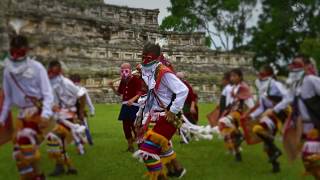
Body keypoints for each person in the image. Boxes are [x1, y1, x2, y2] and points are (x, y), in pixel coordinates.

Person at [0, 35, 54, 180]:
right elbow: (7, 99)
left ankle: (36, 176)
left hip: (36, 112)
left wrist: (46, 114)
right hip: (22, 115)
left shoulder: (37, 68)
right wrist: (1, 120)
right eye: (14, 51)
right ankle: (34, 177)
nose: (17, 55)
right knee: (18, 154)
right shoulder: (7, 71)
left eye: (20, 51)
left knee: (27, 145)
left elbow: (47, 93)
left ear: (26, 51)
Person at [133, 42, 188, 179]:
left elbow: (183, 90)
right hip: (153, 116)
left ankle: (160, 177)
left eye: (148, 58)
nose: (145, 61)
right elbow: (148, 89)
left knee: (147, 152)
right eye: (143, 57)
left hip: (165, 117)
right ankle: (177, 169)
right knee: (161, 148)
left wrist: (173, 111)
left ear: (157, 58)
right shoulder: (149, 70)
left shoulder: (164, 72)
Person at [46, 60, 87, 176]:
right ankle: (69, 167)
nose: (51, 74)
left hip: (69, 118)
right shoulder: (53, 84)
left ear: (59, 71)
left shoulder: (66, 83)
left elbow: (82, 94)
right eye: (50, 71)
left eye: (54, 71)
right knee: (60, 143)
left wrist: (80, 112)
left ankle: (60, 167)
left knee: (52, 137)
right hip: (61, 117)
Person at [248, 65, 291, 173]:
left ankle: (276, 150)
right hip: (270, 114)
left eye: (262, 73)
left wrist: (274, 109)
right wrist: (252, 116)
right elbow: (262, 107)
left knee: (257, 129)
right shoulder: (263, 89)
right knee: (266, 144)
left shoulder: (276, 84)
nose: (259, 75)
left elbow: (288, 98)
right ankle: (275, 166)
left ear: (269, 74)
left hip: (280, 113)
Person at [283, 56, 320, 178]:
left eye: (297, 64)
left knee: (311, 158)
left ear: (306, 66)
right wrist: (274, 110)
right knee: (307, 161)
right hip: (302, 126)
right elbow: (288, 99)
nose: (294, 67)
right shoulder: (296, 85)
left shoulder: (311, 80)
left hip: (315, 125)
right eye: (293, 64)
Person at [218, 68, 255, 162]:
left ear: (240, 77)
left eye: (234, 76)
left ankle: (241, 135)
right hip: (233, 111)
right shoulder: (234, 87)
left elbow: (249, 101)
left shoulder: (243, 87)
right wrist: (226, 110)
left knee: (223, 123)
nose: (232, 78)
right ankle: (238, 152)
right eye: (231, 76)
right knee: (230, 133)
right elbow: (231, 102)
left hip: (239, 113)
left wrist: (252, 113)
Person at [109, 63, 143, 152]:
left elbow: (140, 93)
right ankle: (130, 146)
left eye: (126, 70)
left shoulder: (136, 79)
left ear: (130, 70)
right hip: (125, 106)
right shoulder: (123, 81)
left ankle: (141, 147)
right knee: (126, 127)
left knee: (135, 126)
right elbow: (119, 93)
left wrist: (132, 100)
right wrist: (112, 86)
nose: (124, 72)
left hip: (134, 106)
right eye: (122, 70)